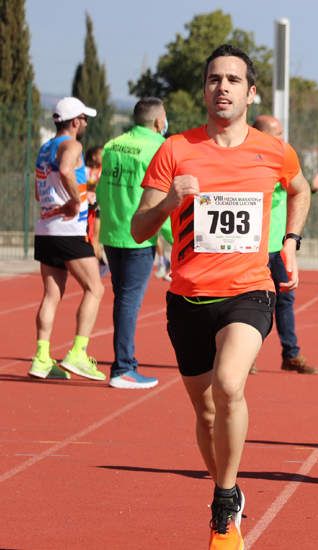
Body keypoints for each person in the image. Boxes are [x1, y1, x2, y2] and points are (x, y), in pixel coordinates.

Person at [131, 44, 311, 549]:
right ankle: (224, 484)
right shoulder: (176, 150)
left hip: (248, 290)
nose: (223, 87)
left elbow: (300, 190)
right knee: (206, 412)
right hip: (188, 297)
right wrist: (171, 199)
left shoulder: (273, 150)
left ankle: (224, 500)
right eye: (214, 79)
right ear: (205, 89)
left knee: (231, 384)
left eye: (233, 80)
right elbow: (139, 228)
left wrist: (290, 244)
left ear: (250, 93)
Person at [29, 97, 106, 381]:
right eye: (84, 119)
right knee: (95, 289)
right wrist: (77, 200)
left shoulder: (43, 148)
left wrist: (62, 200)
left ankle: (41, 357)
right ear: (75, 121)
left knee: (51, 295)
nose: (85, 123)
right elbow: (64, 171)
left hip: (46, 229)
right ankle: (78, 352)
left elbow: (38, 192)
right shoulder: (72, 146)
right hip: (68, 230)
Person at [251, 114, 318, 375]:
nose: (282, 138)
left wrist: (313, 187)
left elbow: (293, 190)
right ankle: (245, 355)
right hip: (253, 248)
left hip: (279, 246)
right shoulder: (249, 163)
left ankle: (291, 353)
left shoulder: (279, 159)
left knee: (285, 301)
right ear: (263, 135)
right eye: (277, 133)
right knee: (253, 305)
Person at [95, 97, 168, 389]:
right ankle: (123, 367)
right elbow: (163, 195)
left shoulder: (113, 145)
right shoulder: (159, 148)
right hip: (138, 234)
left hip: (113, 232)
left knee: (122, 299)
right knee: (128, 301)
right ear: (158, 121)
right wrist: (176, 240)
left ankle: (124, 364)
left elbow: (101, 189)